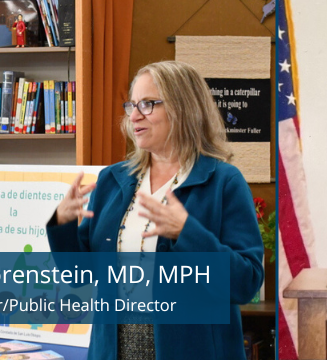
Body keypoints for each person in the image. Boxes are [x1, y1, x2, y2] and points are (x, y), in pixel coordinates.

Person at [47, 61, 264, 360]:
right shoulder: (113, 180)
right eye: (132, 105)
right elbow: (79, 273)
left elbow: (245, 283)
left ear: (182, 108)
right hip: (115, 349)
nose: (134, 116)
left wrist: (187, 234)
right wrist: (62, 223)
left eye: (148, 104)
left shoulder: (224, 182)